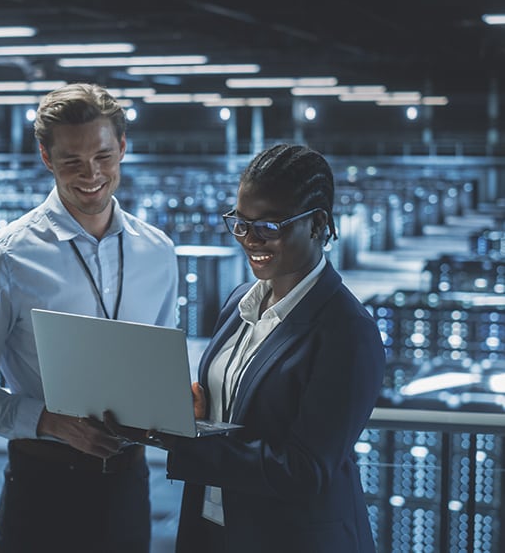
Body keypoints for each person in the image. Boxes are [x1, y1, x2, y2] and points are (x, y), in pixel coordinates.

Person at [0, 82, 178, 553]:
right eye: (71, 161)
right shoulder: (5, 258)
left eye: (104, 156)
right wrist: (49, 421)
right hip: (42, 486)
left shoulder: (158, 252)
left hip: (130, 483)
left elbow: (159, 364)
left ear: (123, 147)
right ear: (47, 158)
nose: (91, 174)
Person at [107, 143, 385, 552]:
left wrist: (181, 442)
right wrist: (187, 415)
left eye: (269, 226)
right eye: (240, 223)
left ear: (316, 224)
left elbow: (304, 470)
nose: (250, 239)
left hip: (290, 539)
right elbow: (237, 411)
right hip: (215, 526)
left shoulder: (346, 331)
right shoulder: (241, 302)